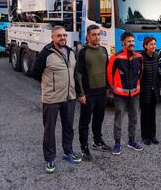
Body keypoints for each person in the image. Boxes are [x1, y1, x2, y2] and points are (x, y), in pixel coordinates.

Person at [32, 25, 81, 174]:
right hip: (52, 98)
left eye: (64, 35)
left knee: (68, 127)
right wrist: (47, 85)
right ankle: (49, 158)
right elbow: (35, 72)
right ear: (52, 37)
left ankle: (68, 152)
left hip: (69, 97)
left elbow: (75, 73)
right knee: (49, 130)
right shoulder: (46, 53)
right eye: (59, 35)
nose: (62, 38)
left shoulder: (70, 52)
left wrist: (78, 92)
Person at [75, 24, 111, 162]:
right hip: (88, 93)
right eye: (94, 34)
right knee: (85, 122)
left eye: (98, 34)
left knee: (99, 119)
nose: (97, 37)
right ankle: (84, 147)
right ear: (88, 36)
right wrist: (81, 94)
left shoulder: (103, 50)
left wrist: (107, 88)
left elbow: (106, 70)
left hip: (101, 92)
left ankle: (97, 141)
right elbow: (78, 74)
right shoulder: (82, 52)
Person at [107, 31, 144, 155]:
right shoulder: (115, 58)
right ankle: (117, 143)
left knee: (133, 118)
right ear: (123, 43)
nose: (131, 43)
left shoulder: (139, 57)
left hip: (135, 94)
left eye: (133, 41)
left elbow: (141, 73)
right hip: (120, 96)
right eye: (129, 41)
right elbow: (109, 75)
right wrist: (115, 88)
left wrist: (136, 87)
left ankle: (131, 141)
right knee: (118, 119)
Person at [140, 36, 161, 145]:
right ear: (145, 46)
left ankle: (152, 135)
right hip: (144, 91)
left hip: (154, 91)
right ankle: (145, 136)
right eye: (151, 44)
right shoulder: (140, 58)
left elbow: (157, 73)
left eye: (154, 44)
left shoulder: (156, 56)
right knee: (145, 115)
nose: (153, 46)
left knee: (153, 114)